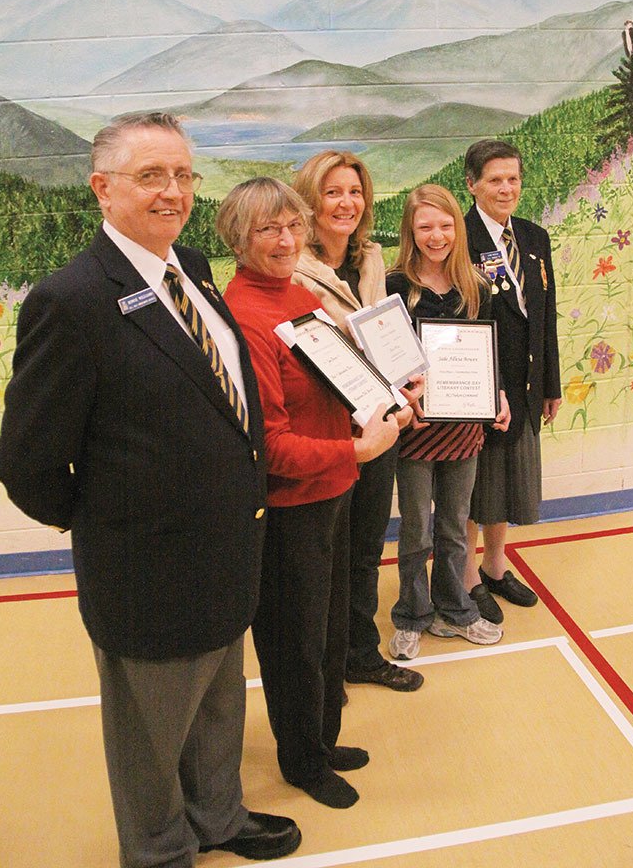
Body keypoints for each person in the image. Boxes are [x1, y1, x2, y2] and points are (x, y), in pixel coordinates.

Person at [0, 113, 301, 867]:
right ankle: (161, 849)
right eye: (151, 176)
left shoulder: (188, 267)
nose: (173, 192)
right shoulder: (73, 301)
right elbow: (26, 463)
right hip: (146, 573)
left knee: (220, 708)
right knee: (151, 734)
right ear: (102, 189)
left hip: (227, 551)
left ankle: (218, 815)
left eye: (184, 176)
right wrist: (108, 525)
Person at [217, 177, 400, 809]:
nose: (287, 239)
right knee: (293, 643)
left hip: (335, 492)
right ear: (240, 239)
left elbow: (336, 387)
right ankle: (301, 761)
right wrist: (356, 449)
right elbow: (269, 444)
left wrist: (387, 404)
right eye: (268, 229)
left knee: (326, 634)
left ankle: (321, 740)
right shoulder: (243, 315)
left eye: (294, 225)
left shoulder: (301, 296)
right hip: (292, 507)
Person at [292, 150, 424, 693]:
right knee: (328, 554)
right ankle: (323, 665)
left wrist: (410, 382)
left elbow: (386, 338)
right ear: (310, 201)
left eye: (354, 191)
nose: (346, 203)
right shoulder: (293, 266)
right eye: (332, 192)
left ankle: (360, 654)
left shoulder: (373, 261)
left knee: (367, 548)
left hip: (383, 426)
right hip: (333, 433)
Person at [385, 186, 509, 659]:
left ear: (458, 228)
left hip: (465, 431)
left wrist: (497, 396)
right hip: (416, 432)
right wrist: (402, 401)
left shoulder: (476, 286)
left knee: (455, 526)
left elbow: (489, 356)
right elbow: (387, 362)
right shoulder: (396, 286)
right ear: (411, 233)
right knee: (416, 529)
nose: (436, 236)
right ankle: (412, 614)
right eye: (425, 227)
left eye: (445, 225)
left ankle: (454, 610)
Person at [463, 138, 562, 623]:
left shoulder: (533, 237)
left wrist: (551, 383)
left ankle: (495, 567)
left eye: (513, 179)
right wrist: (486, 388)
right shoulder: (457, 239)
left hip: (526, 386)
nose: (506, 188)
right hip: (482, 388)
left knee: (507, 486)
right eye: (495, 179)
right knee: (473, 489)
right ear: (472, 184)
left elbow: (546, 317)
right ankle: (464, 579)